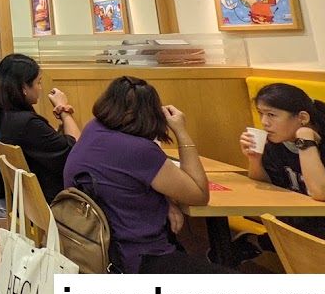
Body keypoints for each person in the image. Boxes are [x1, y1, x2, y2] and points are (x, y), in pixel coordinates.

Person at [63, 76, 234, 276]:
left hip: (92, 253)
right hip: (137, 260)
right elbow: (199, 194)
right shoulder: (140, 151)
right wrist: (181, 131)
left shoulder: (94, 129)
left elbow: (119, 183)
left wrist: (165, 199)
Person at [240, 83, 325, 240]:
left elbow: (322, 193)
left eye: (271, 115)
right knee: (282, 222)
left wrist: (305, 140)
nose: (264, 122)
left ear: (303, 118)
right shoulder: (276, 142)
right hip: (306, 218)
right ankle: (256, 243)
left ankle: (257, 243)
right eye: (260, 113)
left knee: (296, 228)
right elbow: (266, 186)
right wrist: (255, 159)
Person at [0, 53, 79, 201]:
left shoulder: (5, 115)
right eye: (38, 82)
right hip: (48, 202)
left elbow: (53, 145)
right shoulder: (27, 123)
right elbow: (76, 149)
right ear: (24, 87)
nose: (40, 88)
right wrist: (64, 110)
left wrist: (61, 126)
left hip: (25, 201)